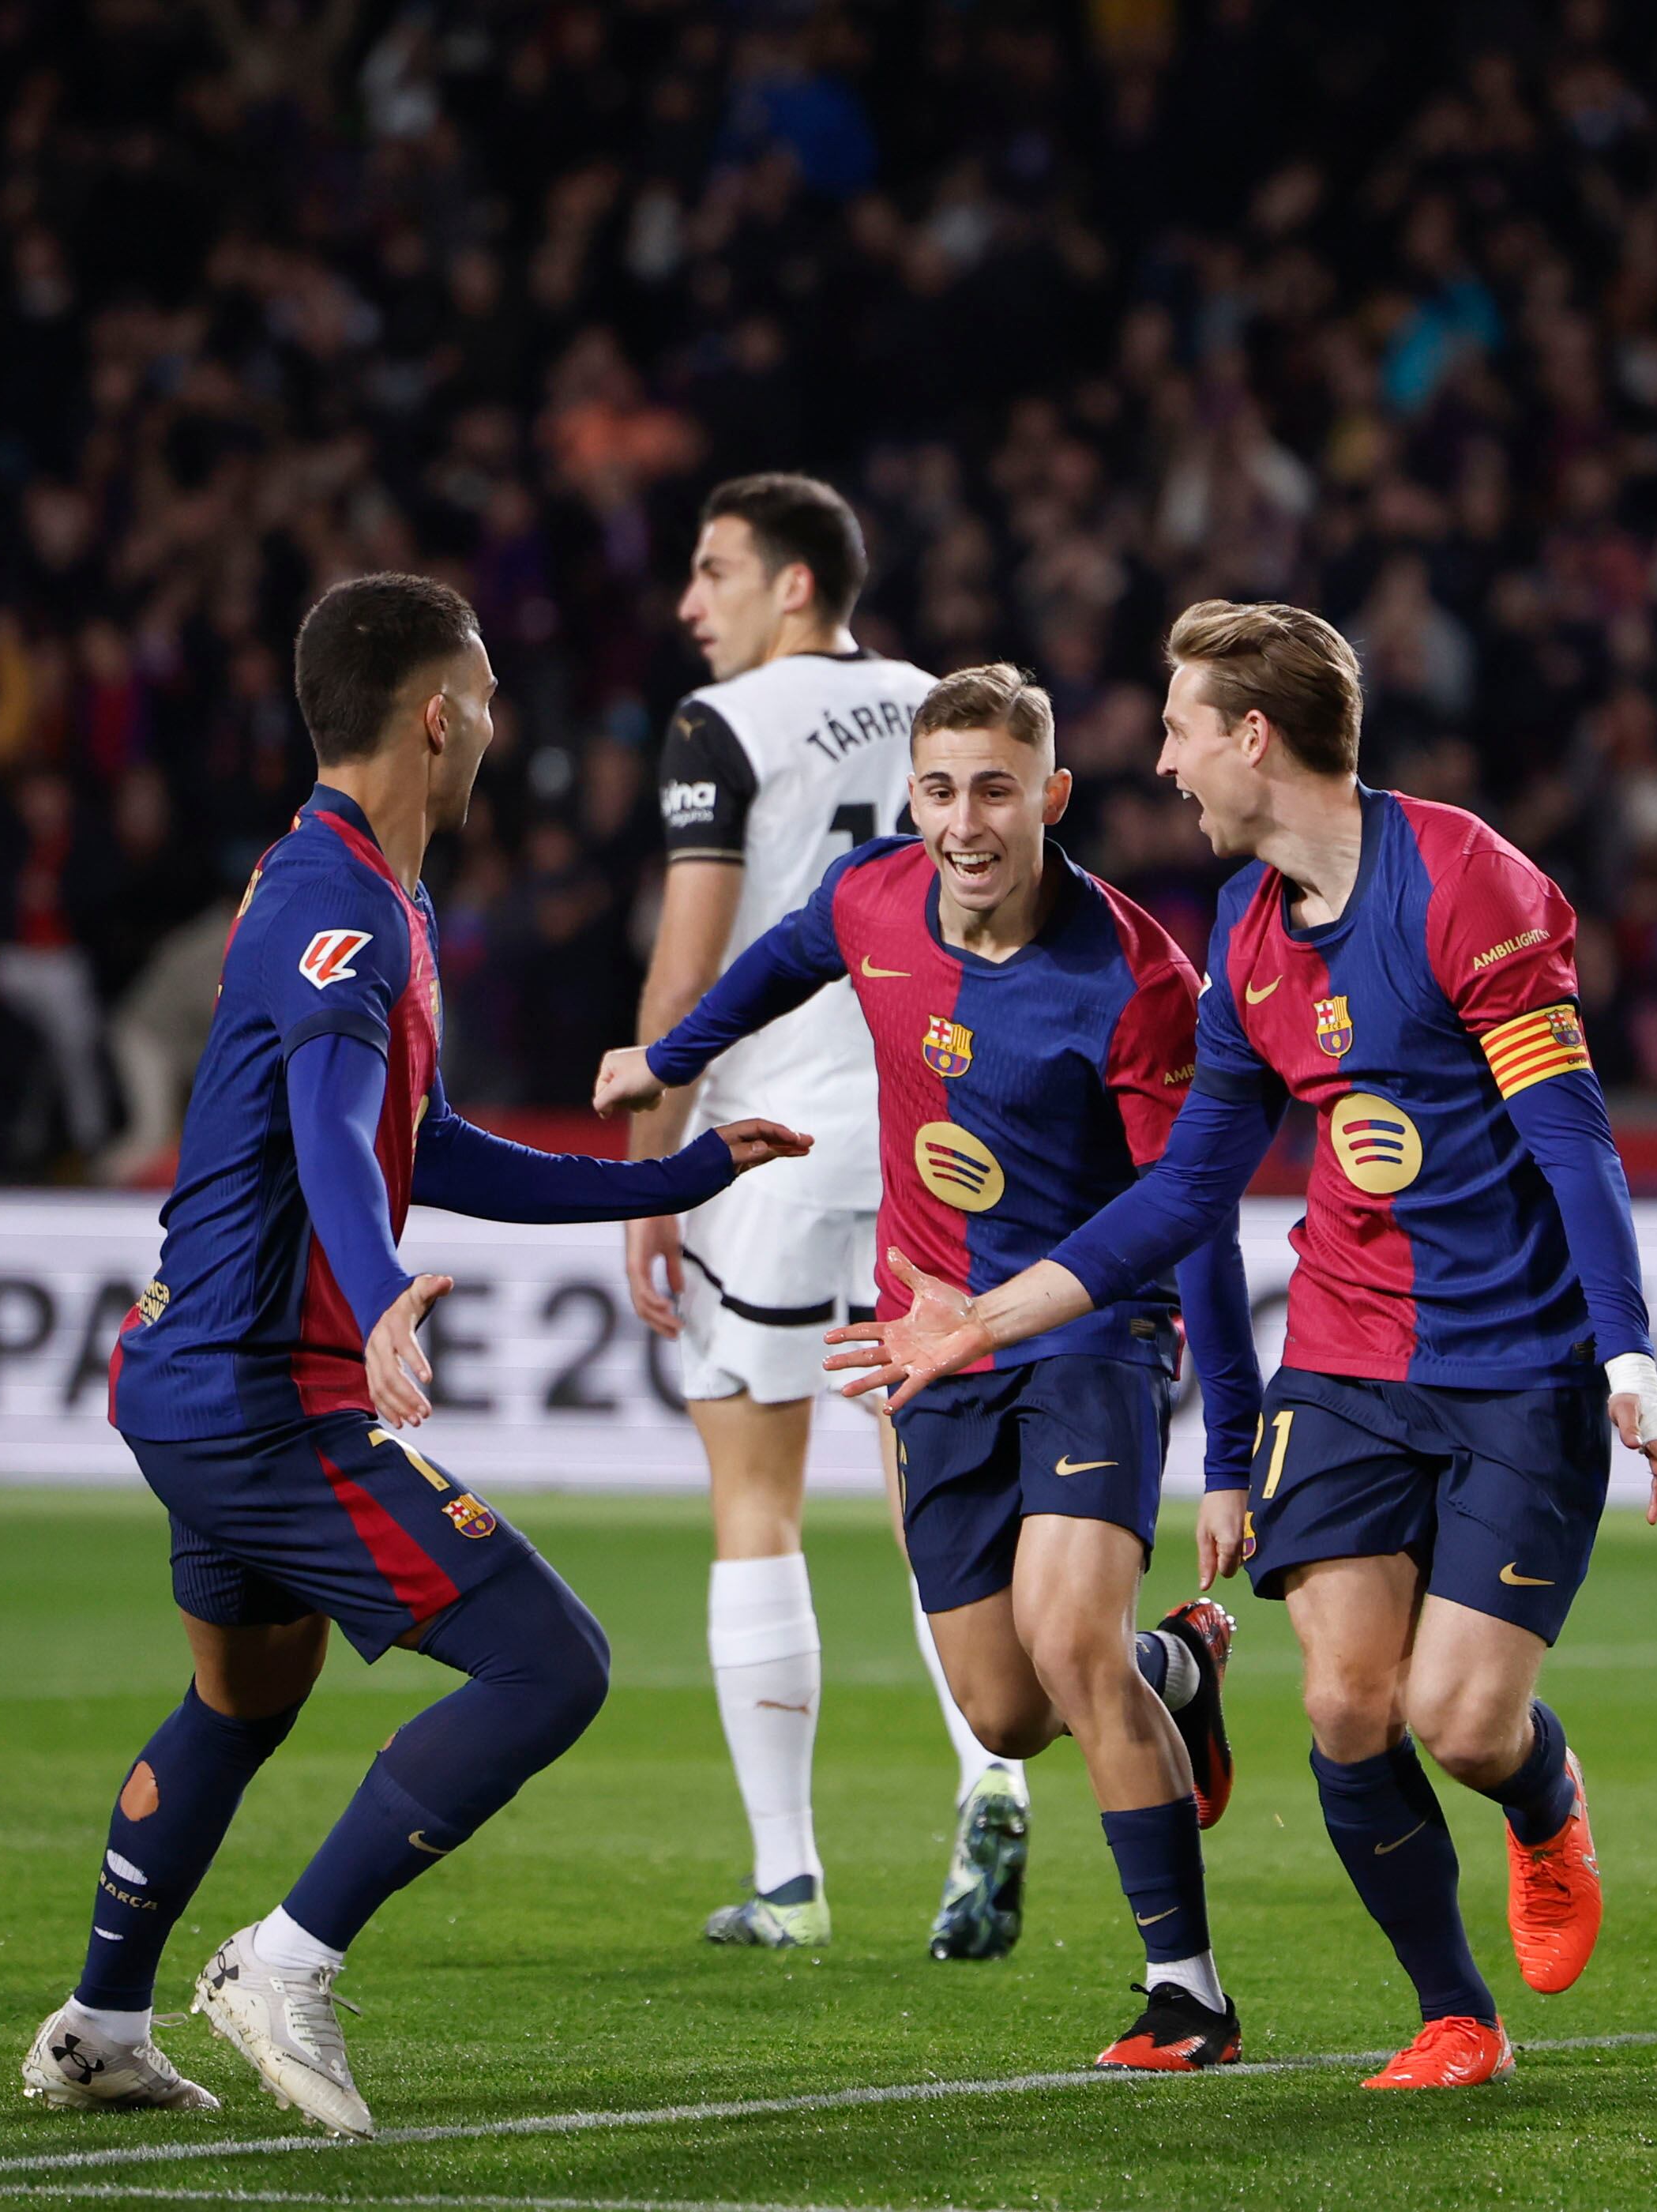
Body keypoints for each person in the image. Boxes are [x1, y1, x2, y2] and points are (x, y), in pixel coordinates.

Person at [831, 603, 1657, 2091]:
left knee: (1462, 1719)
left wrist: (1629, 1358)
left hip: (1517, 1365)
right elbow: (1182, 1196)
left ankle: (1543, 1803)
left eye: (1176, 730)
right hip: (1348, 1359)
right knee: (1348, 1702)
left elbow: (1572, 1137)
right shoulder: (1241, 936)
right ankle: (1456, 2015)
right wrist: (987, 1316)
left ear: (1251, 737)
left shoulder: (1467, 884)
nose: (1159, 763)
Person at [20, 574, 808, 2137]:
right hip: (265, 1384)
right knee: (550, 1660)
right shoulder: (339, 907)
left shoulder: (362, 889)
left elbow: (416, 1136)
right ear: (437, 714)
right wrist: (377, 1291)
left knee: (242, 1697)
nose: (499, 730)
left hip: (195, 1372)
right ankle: (283, 1960)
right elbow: (328, 1119)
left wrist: (668, 1174)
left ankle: (102, 2020)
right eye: (493, 698)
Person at [596, 663, 1262, 2063]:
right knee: (1010, 1712)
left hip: (1084, 1336)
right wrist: (666, 1060)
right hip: (927, 1342)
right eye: (943, 790)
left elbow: (1194, 1207)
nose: (966, 822)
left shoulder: (1137, 979)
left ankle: (1187, 1994)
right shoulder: (875, 898)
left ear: (1052, 799)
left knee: (1069, 1642)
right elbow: (783, 957)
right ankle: (1175, 1675)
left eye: (997, 791)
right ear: (915, 796)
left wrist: (1231, 1438)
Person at [620, 473, 1028, 1955]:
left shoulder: (716, 727)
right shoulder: (944, 707)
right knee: (934, 1499)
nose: (691, 601)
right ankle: (993, 1778)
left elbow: (687, 971)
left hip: (770, 1143)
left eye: (714, 569)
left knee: (756, 1498)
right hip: (939, 1140)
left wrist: (650, 1173)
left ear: (794, 585)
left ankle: (789, 1880)